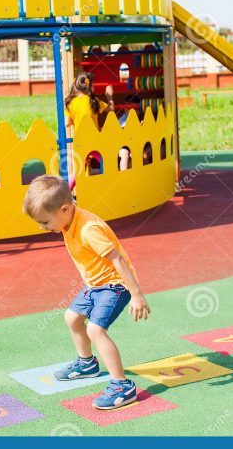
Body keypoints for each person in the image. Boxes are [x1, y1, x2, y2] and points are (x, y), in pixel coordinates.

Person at [22, 175, 150, 410]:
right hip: (95, 284)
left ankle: (122, 385)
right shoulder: (66, 217)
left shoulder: (89, 229)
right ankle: (87, 364)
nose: (42, 228)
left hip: (115, 284)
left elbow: (118, 260)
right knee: (72, 317)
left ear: (64, 209)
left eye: (44, 222)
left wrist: (136, 293)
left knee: (95, 330)